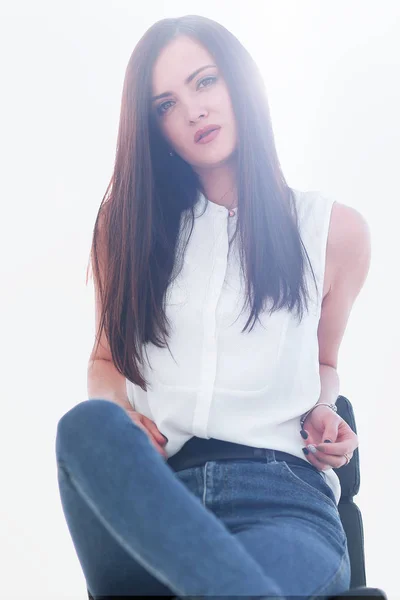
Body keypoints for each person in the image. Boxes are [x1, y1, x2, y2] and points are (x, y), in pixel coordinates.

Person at [55, 14, 371, 600]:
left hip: (282, 504)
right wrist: (121, 414)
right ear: (156, 130)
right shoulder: (126, 232)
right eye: (166, 105)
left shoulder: (333, 231)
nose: (193, 110)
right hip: (154, 505)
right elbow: (106, 360)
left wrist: (326, 408)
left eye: (204, 82)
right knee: (87, 427)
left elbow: (325, 363)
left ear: (239, 83)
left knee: (240, 583)